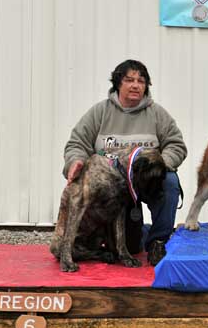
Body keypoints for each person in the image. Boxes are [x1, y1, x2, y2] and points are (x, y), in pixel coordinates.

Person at [63, 59, 187, 266]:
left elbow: (176, 145)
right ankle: (132, 234)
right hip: (113, 189)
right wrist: (74, 162)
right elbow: (77, 143)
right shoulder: (99, 113)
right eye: (129, 80)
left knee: (170, 182)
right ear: (118, 83)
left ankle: (159, 240)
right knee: (131, 247)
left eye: (141, 81)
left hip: (147, 182)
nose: (136, 85)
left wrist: (160, 165)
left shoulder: (157, 114)